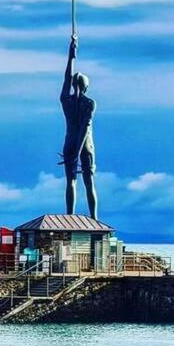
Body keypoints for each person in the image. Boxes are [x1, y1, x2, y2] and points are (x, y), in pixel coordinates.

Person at [60, 35, 99, 219]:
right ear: (87, 87)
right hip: (85, 145)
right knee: (89, 182)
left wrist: (71, 55)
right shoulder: (90, 103)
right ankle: (94, 218)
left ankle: (70, 217)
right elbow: (84, 128)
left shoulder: (65, 100)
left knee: (71, 182)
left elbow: (66, 77)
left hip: (69, 142)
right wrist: (78, 150)